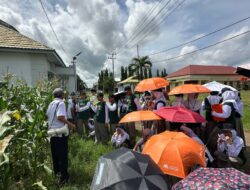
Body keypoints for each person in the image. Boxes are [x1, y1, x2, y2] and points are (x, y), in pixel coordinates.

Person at [46, 88, 75, 185]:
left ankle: (57, 174)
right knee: (62, 156)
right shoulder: (61, 103)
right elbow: (60, 117)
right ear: (62, 95)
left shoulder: (51, 104)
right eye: (64, 95)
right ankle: (64, 179)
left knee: (55, 155)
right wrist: (70, 125)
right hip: (60, 134)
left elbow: (48, 116)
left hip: (52, 133)